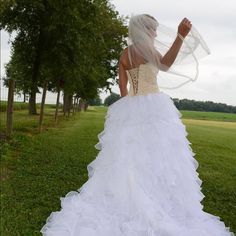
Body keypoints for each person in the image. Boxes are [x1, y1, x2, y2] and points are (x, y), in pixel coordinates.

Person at [40, 14, 235, 236]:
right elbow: (166, 64)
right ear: (146, 30)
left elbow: (124, 91)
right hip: (154, 107)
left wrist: (129, 109)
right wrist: (180, 35)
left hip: (131, 106)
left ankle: (130, 197)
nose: (156, 34)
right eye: (154, 30)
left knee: (129, 158)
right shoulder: (146, 49)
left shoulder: (125, 54)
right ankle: (156, 200)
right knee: (158, 156)